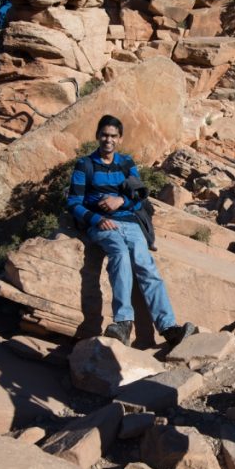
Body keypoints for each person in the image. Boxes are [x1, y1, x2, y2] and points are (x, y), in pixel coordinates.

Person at [67, 114, 194, 348]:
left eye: (113, 136)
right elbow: (73, 203)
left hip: (130, 222)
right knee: (120, 255)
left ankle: (168, 327)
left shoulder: (126, 164)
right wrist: (96, 219)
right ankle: (123, 322)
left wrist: (120, 202)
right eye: (104, 135)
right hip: (103, 225)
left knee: (147, 266)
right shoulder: (85, 164)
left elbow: (140, 201)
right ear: (97, 136)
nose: (108, 140)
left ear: (120, 138)